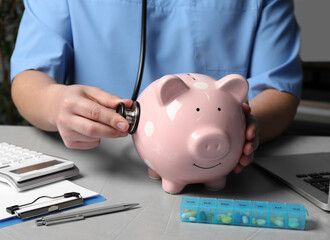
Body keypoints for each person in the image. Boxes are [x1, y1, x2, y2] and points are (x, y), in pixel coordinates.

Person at [10, 0, 302, 174]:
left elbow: (279, 86)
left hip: (230, 170)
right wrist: (55, 102)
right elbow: (29, 75)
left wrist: (248, 128)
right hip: (98, 166)